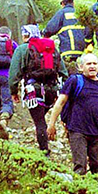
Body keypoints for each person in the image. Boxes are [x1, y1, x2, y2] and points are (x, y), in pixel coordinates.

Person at [46, 53, 98, 174]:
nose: (92, 66)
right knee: (80, 167)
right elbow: (60, 102)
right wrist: (51, 124)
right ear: (81, 67)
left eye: (95, 64)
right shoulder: (75, 81)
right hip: (77, 129)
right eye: (88, 64)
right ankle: (80, 191)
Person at [8, 24, 68, 155]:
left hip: (33, 91)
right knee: (41, 118)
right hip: (52, 91)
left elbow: (13, 73)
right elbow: (63, 71)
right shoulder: (51, 49)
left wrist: (13, 91)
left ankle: (44, 152)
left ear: (25, 35)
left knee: (39, 121)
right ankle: (45, 141)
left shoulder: (22, 49)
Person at [43, 0, 85, 73]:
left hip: (67, 48)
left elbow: (51, 28)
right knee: (78, 68)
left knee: (68, 69)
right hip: (80, 48)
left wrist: (45, 34)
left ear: (63, 4)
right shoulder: (78, 13)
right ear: (73, 3)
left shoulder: (62, 13)